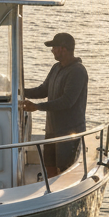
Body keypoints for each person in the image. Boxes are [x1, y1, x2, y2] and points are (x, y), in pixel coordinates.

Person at [22, 32, 88, 175]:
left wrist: (38, 107)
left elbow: (67, 101)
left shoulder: (77, 71)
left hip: (69, 133)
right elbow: (43, 90)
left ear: (63, 49)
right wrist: (21, 91)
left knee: (64, 171)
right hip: (52, 130)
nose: (51, 50)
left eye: (54, 47)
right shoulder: (56, 68)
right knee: (50, 168)